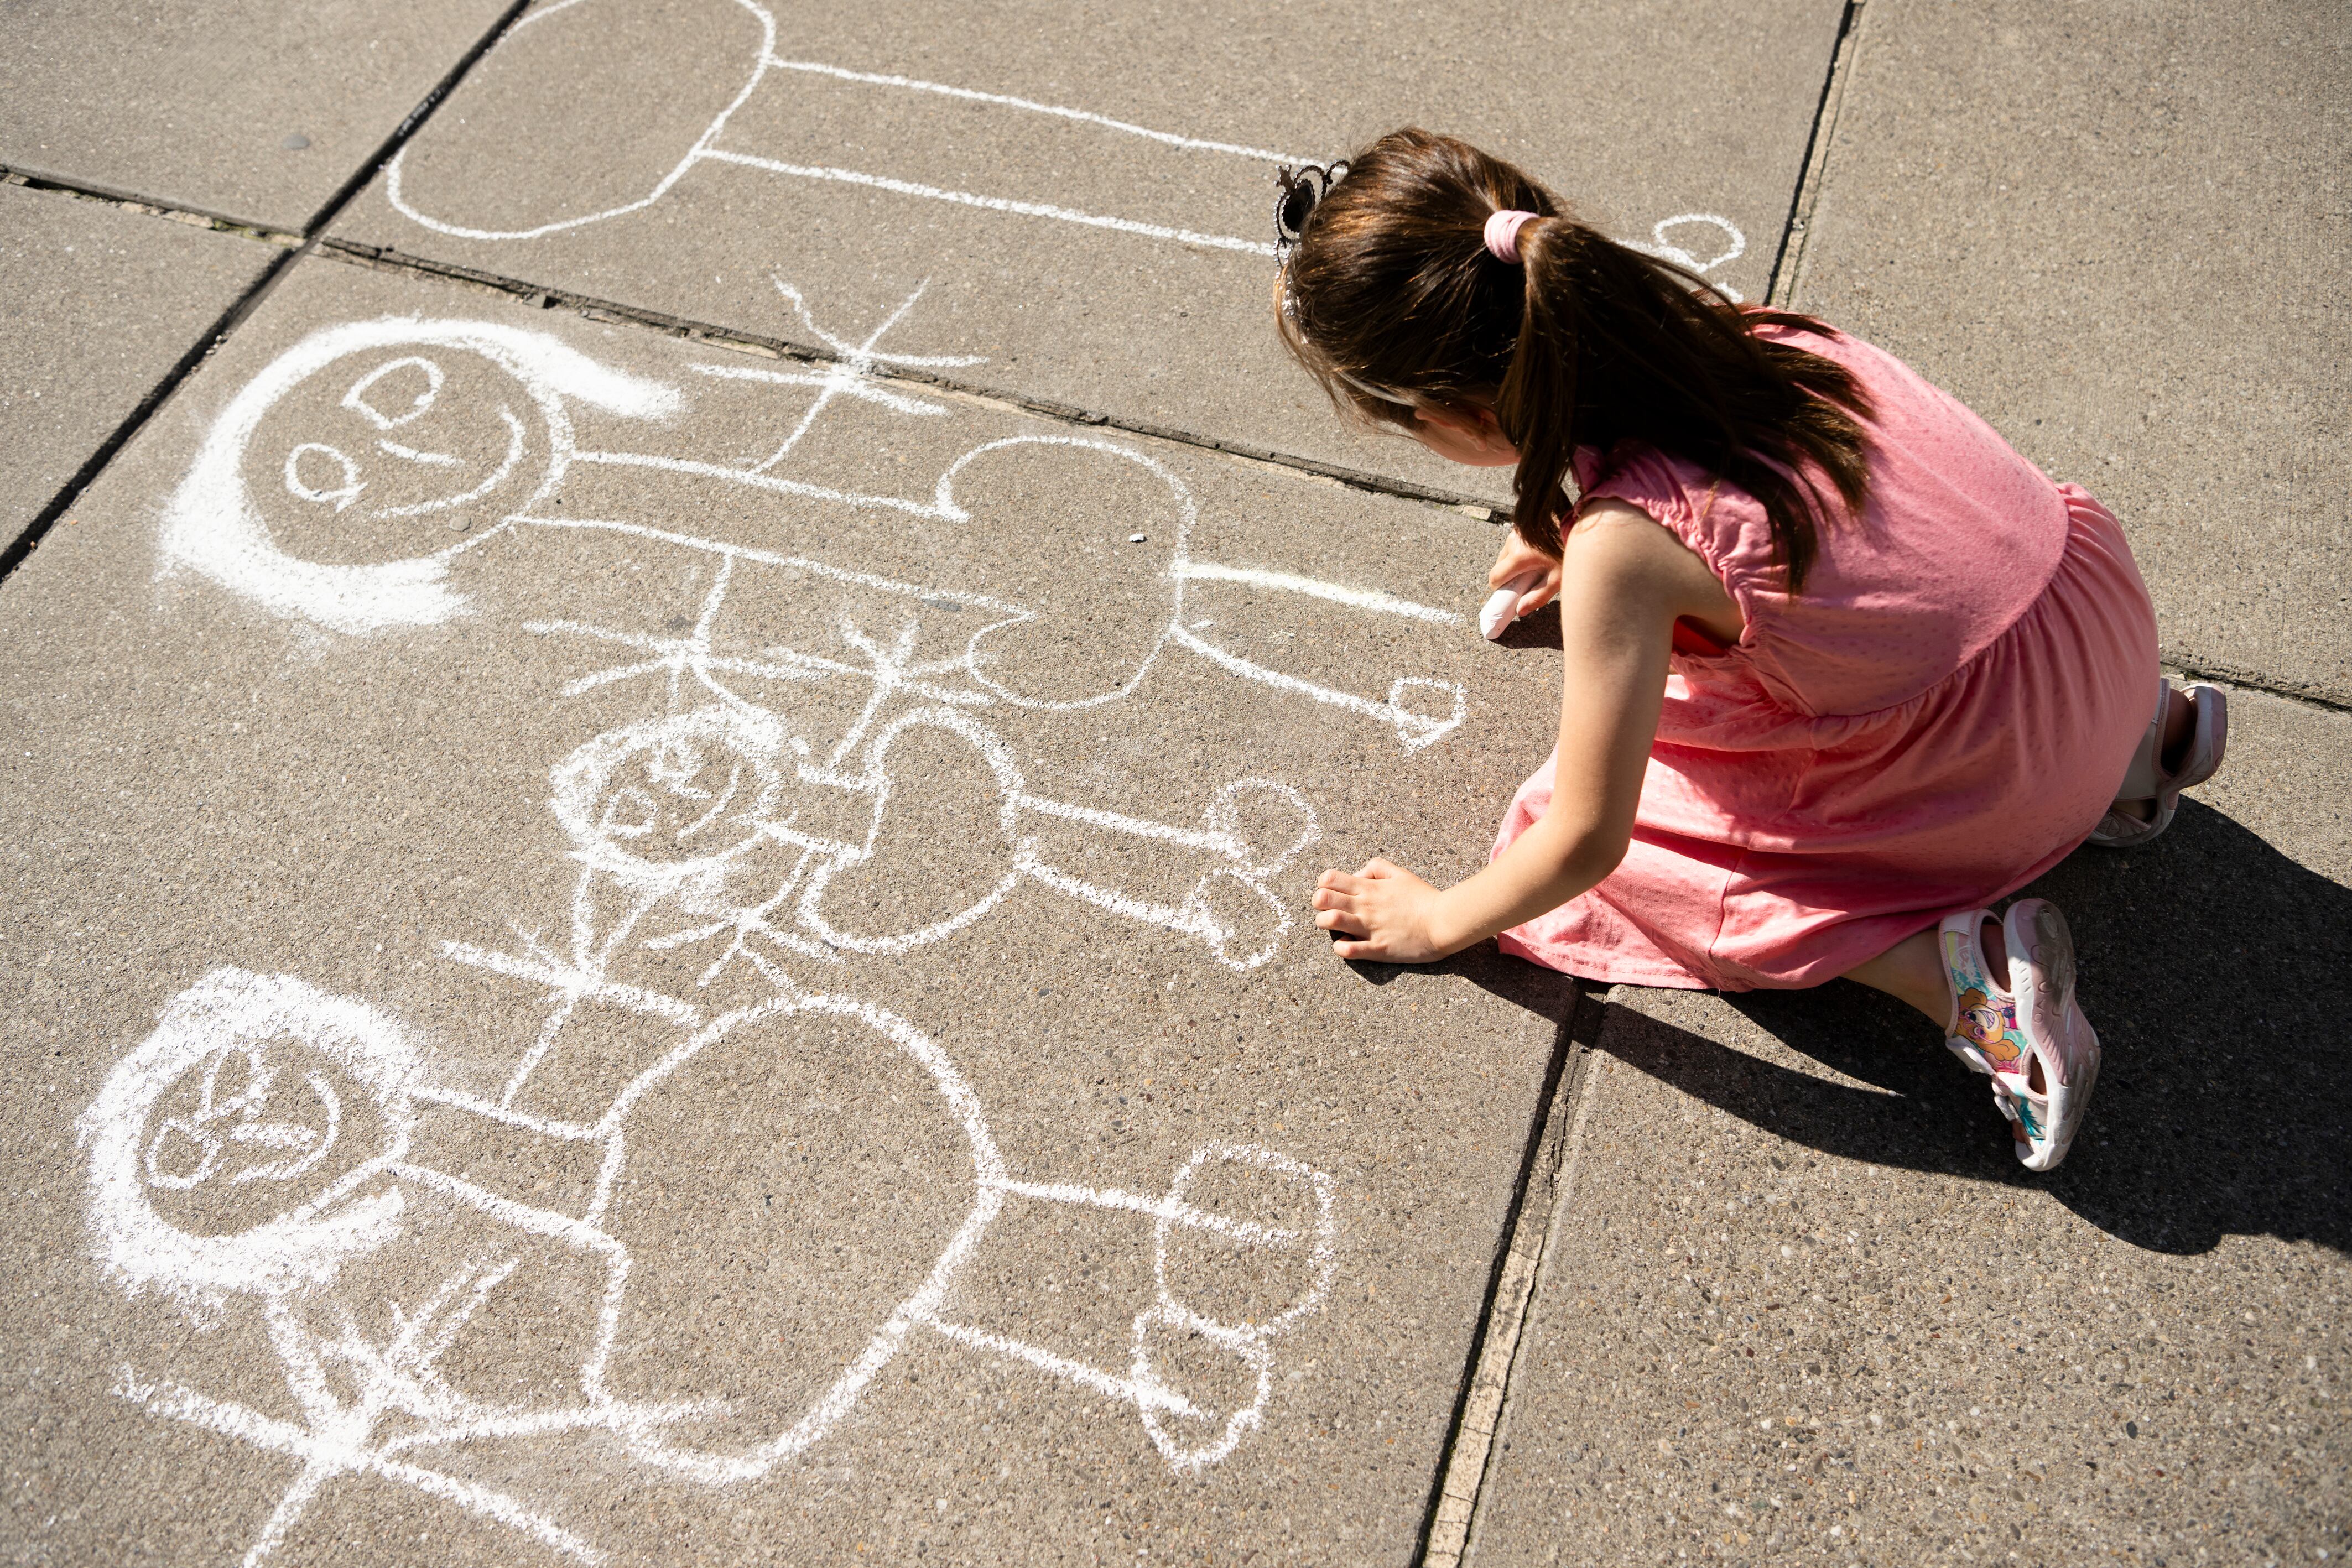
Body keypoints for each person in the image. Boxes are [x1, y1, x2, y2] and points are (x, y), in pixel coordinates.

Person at [1274, 129, 2227, 1170]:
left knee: (1649, 853)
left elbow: (1587, 842)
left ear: (1459, 417)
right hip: (2103, 645)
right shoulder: (1760, 339)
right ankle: (2148, 755)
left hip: (2011, 766)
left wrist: (1436, 922)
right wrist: (1574, 519)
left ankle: (1971, 987)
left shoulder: (1628, 547)